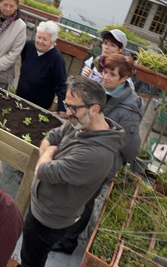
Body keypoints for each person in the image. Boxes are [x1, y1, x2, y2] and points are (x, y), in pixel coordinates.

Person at [0, 76, 125, 267]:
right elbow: (54, 134)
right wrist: (49, 153)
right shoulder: (83, 123)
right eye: (67, 104)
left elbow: (44, 171)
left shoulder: (95, 154)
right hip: (44, 203)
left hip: (52, 217)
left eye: (73, 107)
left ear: (95, 109)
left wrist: (47, 155)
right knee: (30, 250)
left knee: (35, 259)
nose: (66, 111)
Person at [53, 54, 144, 255]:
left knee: (85, 201)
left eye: (113, 74)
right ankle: (62, 230)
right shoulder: (100, 91)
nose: (106, 77)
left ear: (125, 78)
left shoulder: (128, 109)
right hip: (83, 152)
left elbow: (131, 147)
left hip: (102, 163)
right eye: (105, 71)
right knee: (73, 195)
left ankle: (69, 241)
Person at [15, 20, 68, 112]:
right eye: (39, 37)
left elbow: (61, 85)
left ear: (53, 41)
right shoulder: (28, 46)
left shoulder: (57, 59)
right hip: (19, 97)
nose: (40, 41)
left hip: (39, 106)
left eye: (45, 39)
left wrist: (62, 108)